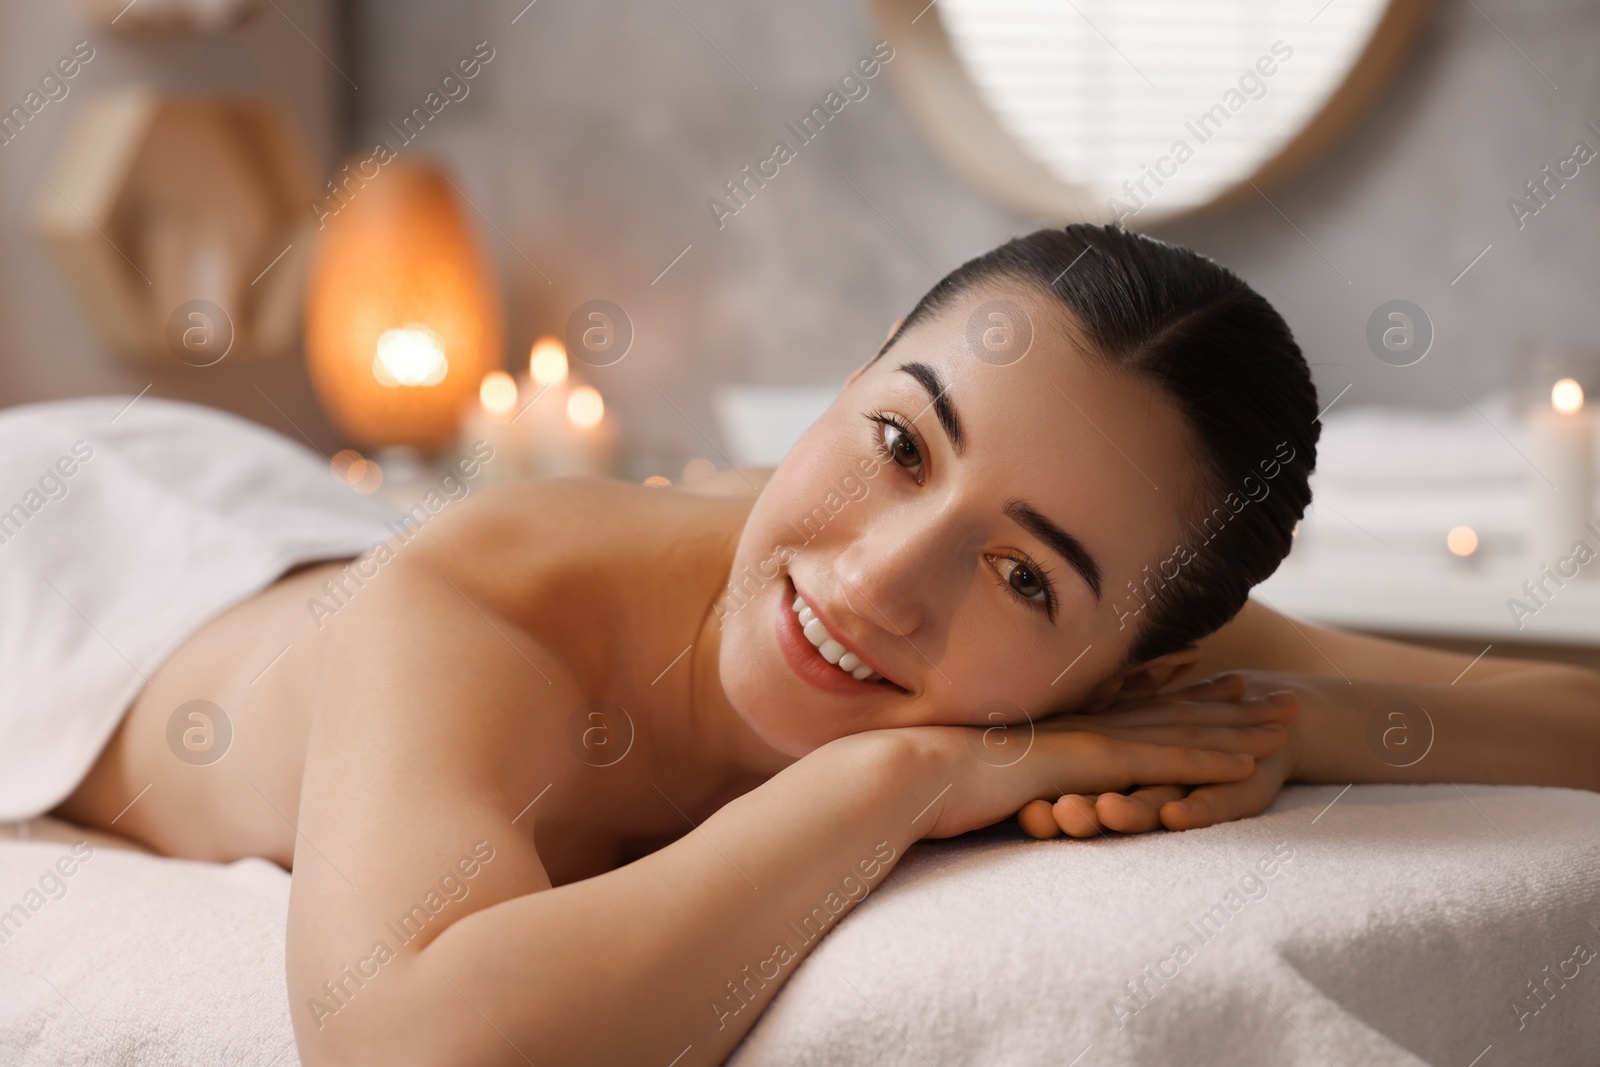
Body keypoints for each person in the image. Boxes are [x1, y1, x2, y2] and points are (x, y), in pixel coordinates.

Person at [42, 225, 1600, 1066]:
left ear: (1131, 669)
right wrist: (902, 782)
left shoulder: (1152, 665)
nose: (876, 578)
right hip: (65, 563)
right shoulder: (476, 596)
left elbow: (1556, 724)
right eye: (901, 442)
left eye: (1027, 577)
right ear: (843, 382)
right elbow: (410, 1050)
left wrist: (1283, 731)